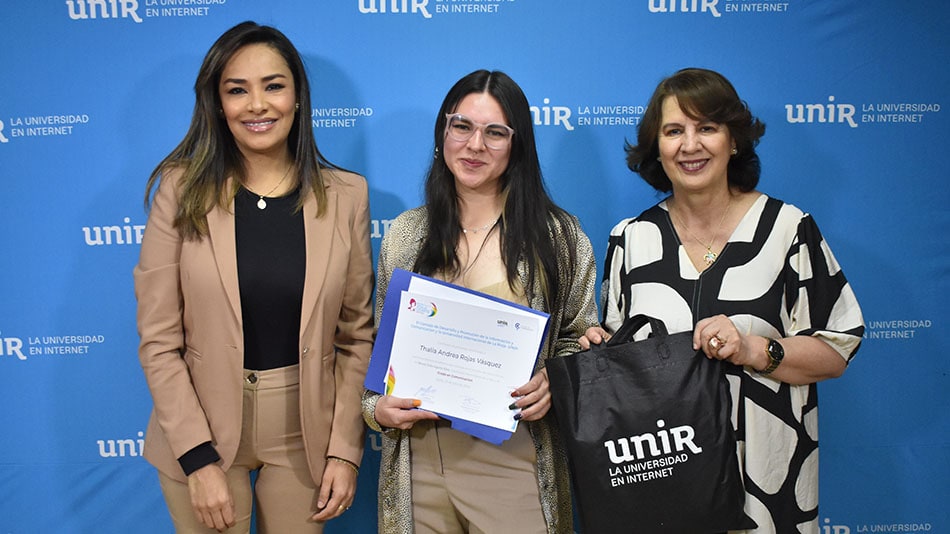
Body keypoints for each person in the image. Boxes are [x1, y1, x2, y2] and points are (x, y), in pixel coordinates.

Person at [581, 67, 865, 532]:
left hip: (768, 490)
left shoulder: (789, 229)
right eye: (674, 131)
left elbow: (836, 350)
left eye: (706, 128)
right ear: (657, 146)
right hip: (662, 487)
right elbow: (624, 367)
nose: (690, 145)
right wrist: (603, 354)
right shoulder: (630, 240)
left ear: (734, 140)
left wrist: (753, 348)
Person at [134, 21, 374, 532]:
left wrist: (346, 449)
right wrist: (197, 460)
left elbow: (356, 338)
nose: (257, 105)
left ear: (298, 97)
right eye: (237, 90)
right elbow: (158, 340)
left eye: (273, 85)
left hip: (305, 433)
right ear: (218, 104)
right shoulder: (179, 191)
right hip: (200, 429)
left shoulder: (348, 195)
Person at [361, 69, 599, 534]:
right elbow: (379, 356)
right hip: (420, 464)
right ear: (442, 132)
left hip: (513, 458)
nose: (475, 146)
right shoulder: (406, 235)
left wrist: (557, 378)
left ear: (517, 146)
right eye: (462, 126)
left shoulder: (558, 237)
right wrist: (375, 410)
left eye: (495, 133)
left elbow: (578, 336)